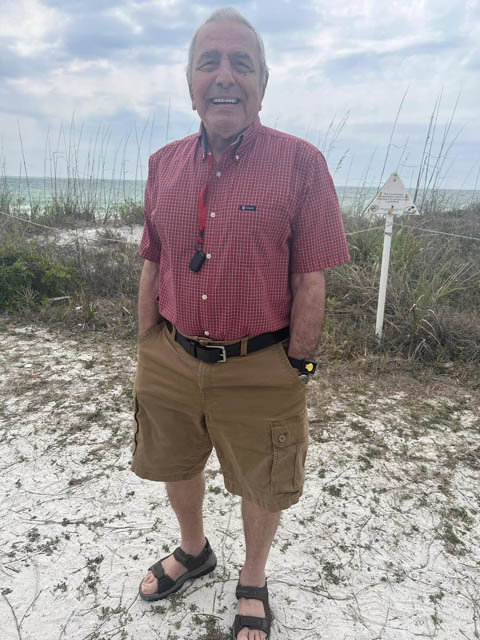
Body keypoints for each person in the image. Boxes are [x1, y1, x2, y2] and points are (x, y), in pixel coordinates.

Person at [131, 7, 349, 640]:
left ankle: (252, 579)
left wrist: (299, 365)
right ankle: (195, 550)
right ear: (190, 81)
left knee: (264, 478)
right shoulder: (162, 164)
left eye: (240, 63)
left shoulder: (301, 163)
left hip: (262, 363)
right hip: (169, 354)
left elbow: (311, 276)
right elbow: (153, 259)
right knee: (174, 460)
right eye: (210, 62)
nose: (224, 76)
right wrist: (148, 345)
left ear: (263, 80)